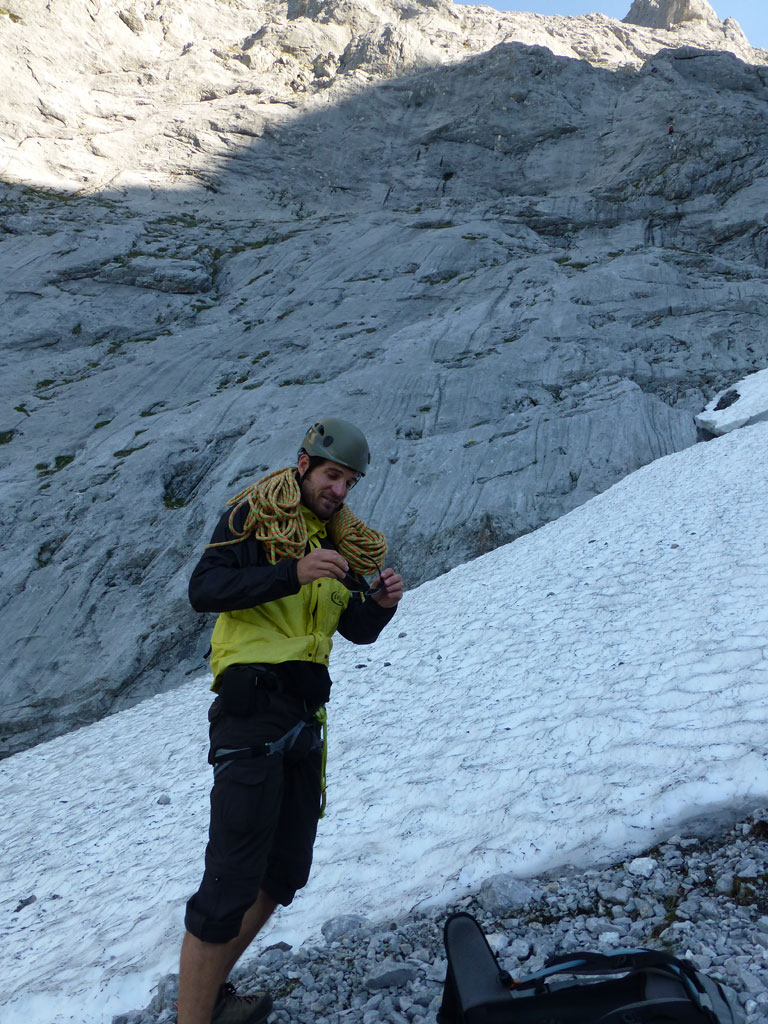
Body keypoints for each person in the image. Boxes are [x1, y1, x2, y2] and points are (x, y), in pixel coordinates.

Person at [177, 417, 403, 1024]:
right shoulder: (255, 516)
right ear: (303, 465)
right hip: (251, 710)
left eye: (350, 482)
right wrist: (290, 571)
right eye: (333, 476)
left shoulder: (335, 541)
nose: (340, 491)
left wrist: (378, 605)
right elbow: (205, 588)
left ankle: (212, 995)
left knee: (283, 871)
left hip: (304, 716)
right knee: (229, 880)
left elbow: (351, 628)